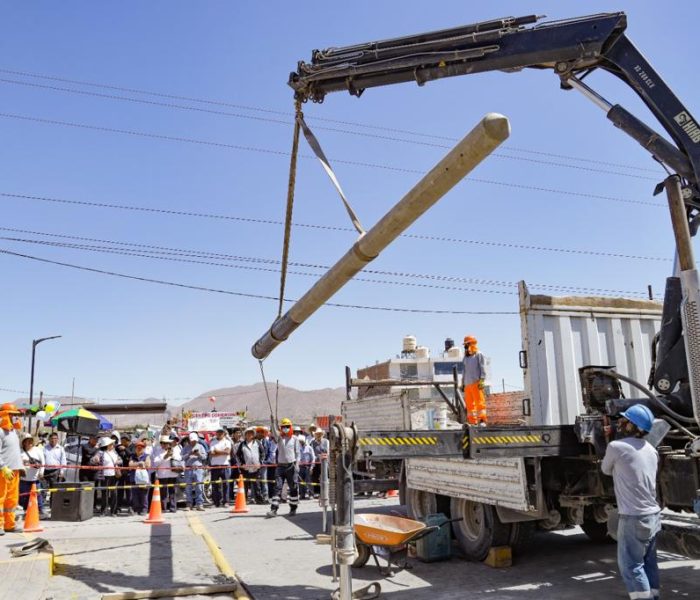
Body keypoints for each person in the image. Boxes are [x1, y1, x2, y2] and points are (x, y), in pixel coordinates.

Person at [601, 404, 661, 600]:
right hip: (653, 515)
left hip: (633, 517)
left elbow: (606, 470)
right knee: (648, 563)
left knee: (631, 566)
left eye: (624, 420)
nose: (620, 422)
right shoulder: (652, 449)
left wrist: (608, 438)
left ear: (631, 425)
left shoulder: (616, 447)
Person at [266, 418, 300, 518]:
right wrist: (272, 423)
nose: (285, 429)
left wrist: (297, 465)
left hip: (291, 466)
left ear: (290, 427)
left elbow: (298, 453)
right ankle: (273, 510)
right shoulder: (279, 438)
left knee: (293, 487)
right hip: (280, 466)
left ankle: (293, 508)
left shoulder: (295, 439)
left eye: (287, 427)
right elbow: (275, 434)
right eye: (283, 427)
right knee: (277, 488)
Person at [0, 403, 24, 534]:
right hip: (3, 471)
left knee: (12, 499)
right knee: (0, 498)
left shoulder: (14, 432)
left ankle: (9, 524)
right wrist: (3, 467)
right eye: (13, 415)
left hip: (14, 471)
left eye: (16, 415)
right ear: (6, 415)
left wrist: (20, 466)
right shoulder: (0, 432)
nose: (16, 418)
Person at [92, 437, 122, 516]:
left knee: (114, 494)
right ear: (107, 445)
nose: (113, 445)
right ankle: (103, 511)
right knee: (104, 494)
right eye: (111, 444)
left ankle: (113, 511)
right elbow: (94, 459)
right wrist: (96, 459)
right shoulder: (101, 452)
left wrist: (117, 461)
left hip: (114, 476)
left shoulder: (115, 453)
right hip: (104, 476)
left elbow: (121, 460)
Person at [462, 335, 487, 425]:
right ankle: (473, 422)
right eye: (465, 345)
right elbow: (464, 371)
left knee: (479, 403)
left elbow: (482, 368)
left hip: (476, 382)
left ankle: (482, 420)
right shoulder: (465, 358)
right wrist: (462, 383)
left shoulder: (479, 355)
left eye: (467, 344)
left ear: (472, 343)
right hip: (467, 385)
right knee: (469, 405)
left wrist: (482, 380)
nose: (465, 346)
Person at [19, 433, 46, 516]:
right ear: (24, 442)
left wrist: (41, 472)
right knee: (25, 496)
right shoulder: (20, 452)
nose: (29, 442)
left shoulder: (37, 450)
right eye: (27, 441)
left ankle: (41, 511)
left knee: (38, 495)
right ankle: (26, 511)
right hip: (24, 479)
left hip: (35, 479)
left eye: (31, 440)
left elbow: (43, 462)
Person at [153, 435, 181, 513]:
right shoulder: (158, 451)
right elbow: (155, 463)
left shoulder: (174, 450)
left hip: (173, 474)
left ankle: (173, 507)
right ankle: (164, 508)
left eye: (167, 443)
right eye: (163, 443)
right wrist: (164, 457)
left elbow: (179, 459)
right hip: (162, 475)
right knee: (163, 493)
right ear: (161, 444)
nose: (165, 445)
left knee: (172, 492)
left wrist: (172, 455)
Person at [237, 427, 264, 504]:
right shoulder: (242, 444)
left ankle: (259, 500)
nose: (249, 435)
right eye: (247, 433)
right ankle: (243, 500)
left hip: (256, 468)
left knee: (257, 485)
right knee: (244, 485)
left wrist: (260, 463)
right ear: (245, 435)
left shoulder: (258, 443)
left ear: (253, 434)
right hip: (245, 469)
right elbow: (238, 456)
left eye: (251, 433)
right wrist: (241, 464)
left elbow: (263, 453)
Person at [182, 432, 207, 511]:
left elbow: (204, 457)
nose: (193, 442)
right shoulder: (186, 448)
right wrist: (190, 453)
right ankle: (189, 504)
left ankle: (199, 504)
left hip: (198, 469)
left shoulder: (201, 446)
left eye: (195, 440)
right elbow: (182, 457)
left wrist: (199, 454)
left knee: (199, 487)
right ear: (189, 440)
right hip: (188, 469)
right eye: (192, 440)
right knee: (188, 487)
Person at [209, 428, 232, 507]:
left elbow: (228, 452)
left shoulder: (227, 442)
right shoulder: (213, 442)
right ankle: (216, 502)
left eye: (221, 433)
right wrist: (222, 452)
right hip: (215, 465)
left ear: (224, 434)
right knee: (215, 485)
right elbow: (212, 453)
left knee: (226, 484)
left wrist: (217, 451)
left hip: (225, 465)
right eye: (218, 432)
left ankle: (226, 501)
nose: (219, 434)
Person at [130, 441, 151, 515]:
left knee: (144, 496)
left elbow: (148, 465)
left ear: (144, 448)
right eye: (137, 447)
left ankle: (144, 510)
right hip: (134, 479)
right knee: (135, 496)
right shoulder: (132, 456)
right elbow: (130, 465)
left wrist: (138, 464)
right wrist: (139, 463)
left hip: (144, 480)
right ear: (135, 448)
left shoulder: (147, 456)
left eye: (141, 447)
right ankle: (136, 509)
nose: (139, 449)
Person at [310, 429, 329, 499]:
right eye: (317, 434)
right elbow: (312, 453)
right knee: (315, 477)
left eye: (320, 434)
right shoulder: (312, 442)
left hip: (325, 462)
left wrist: (324, 457)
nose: (318, 435)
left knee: (325, 477)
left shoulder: (326, 441)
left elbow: (328, 452)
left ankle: (325, 491)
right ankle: (317, 492)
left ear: (322, 434)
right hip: (316, 462)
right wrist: (312, 465)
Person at [298, 435, 316, 500]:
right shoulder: (298, 448)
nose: (300, 442)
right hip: (300, 467)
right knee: (300, 481)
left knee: (309, 481)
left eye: (301, 441)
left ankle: (311, 494)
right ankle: (302, 495)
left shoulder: (309, 448)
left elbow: (313, 457)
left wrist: (312, 467)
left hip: (308, 466)